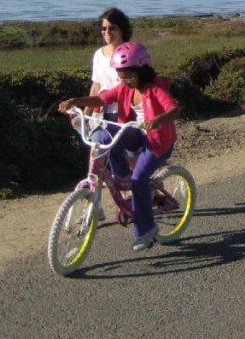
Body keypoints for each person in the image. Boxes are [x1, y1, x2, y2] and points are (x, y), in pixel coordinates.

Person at [58, 41, 179, 251]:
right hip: (135, 134)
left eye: (130, 76)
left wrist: (159, 120)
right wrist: (76, 100)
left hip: (157, 141)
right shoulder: (124, 89)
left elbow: (175, 109)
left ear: (142, 70)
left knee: (139, 179)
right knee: (104, 133)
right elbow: (102, 98)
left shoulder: (155, 88)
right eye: (121, 77)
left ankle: (146, 230)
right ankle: (121, 177)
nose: (126, 81)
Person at [90, 8, 133, 118]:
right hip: (100, 111)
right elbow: (96, 85)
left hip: (125, 111)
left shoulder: (132, 53)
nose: (107, 32)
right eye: (104, 28)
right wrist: (87, 112)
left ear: (122, 29)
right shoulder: (98, 54)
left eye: (112, 28)